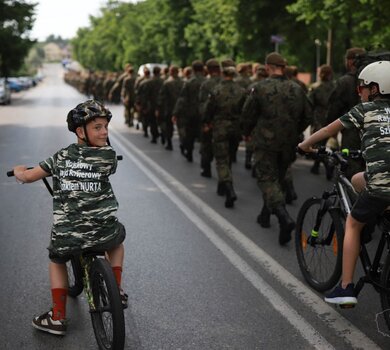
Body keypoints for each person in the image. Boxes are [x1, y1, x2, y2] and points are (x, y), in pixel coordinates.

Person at [12, 100, 127, 335]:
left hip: (68, 234)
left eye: (105, 126)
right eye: (97, 127)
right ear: (80, 131)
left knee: (57, 260)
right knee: (118, 241)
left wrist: (18, 171)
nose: (104, 132)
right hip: (102, 230)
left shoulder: (61, 156)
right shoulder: (108, 156)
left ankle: (57, 317)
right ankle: (116, 289)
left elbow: (28, 177)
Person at [298, 61, 390, 305]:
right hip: (380, 183)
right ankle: (376, 218)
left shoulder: (365, 110)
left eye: (363, 87)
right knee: (358, 179)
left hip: (382, 185)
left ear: (375, 88)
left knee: (352, 223)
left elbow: (329, 129)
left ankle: (346, 287)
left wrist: (306, 145)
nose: (359, 92)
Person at [241, 52, 312, 245]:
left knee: (267, 180)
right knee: (278, 181)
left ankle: (283, 217)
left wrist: (246, 132)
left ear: (268, 67)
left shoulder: (259, 88)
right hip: (288, 144)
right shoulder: (297, 88)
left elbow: (247, 115)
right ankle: (265, 215)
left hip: (265, 143)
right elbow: (308, 116)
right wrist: (295, 131)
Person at [204, 61, 246, 208]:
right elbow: (245, 111)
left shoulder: (217, 90)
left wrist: (207, 123)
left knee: (221, 160)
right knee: (228, 158)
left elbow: (208, 110)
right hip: (235, 130)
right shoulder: (241, 91)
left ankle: (229, 189)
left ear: (223, 74)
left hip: (220, 129)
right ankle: (222, 185)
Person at [327, 47, 366, 179]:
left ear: (350, 62)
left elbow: (334, 108)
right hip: (376, 129)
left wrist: (330, 129)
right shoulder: (376, 80)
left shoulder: (345, 81)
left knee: (351, 168)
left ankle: (354, 198)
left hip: (352, 133)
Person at [172, 60, 205, 162]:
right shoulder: (207, 82)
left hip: (191, 113)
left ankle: (189, 152)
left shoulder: (189, 82)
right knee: (204, 137)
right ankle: (205, 160)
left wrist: (175, 113)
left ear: (193, 69)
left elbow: (182, 99)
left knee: (189, 134)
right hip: (204, 113)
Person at [308, 64, 335, 177]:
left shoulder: (315, 87)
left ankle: (325, 164)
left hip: (318, 117)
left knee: (316, 144)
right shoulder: (335, 87)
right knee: (325, 143)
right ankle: (319, 165)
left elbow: (309, 104)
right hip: (332, 118)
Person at [198, 58, 222, 177]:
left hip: (210, 122)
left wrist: (205, 122)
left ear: (208, 69)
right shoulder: (226, 82)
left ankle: (206, 169)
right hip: (224, 122)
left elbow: (203, 104)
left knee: (206, 146)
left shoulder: (206, 84)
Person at [156, 65, 183, 150]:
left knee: (168, 127)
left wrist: (159, 108)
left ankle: (169, 143)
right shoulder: (183, 82)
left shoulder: (167, 83)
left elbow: (161, 97)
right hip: (181, 108)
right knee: (181, 126)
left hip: (169, 108)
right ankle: (183, 143)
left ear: (171, 72)